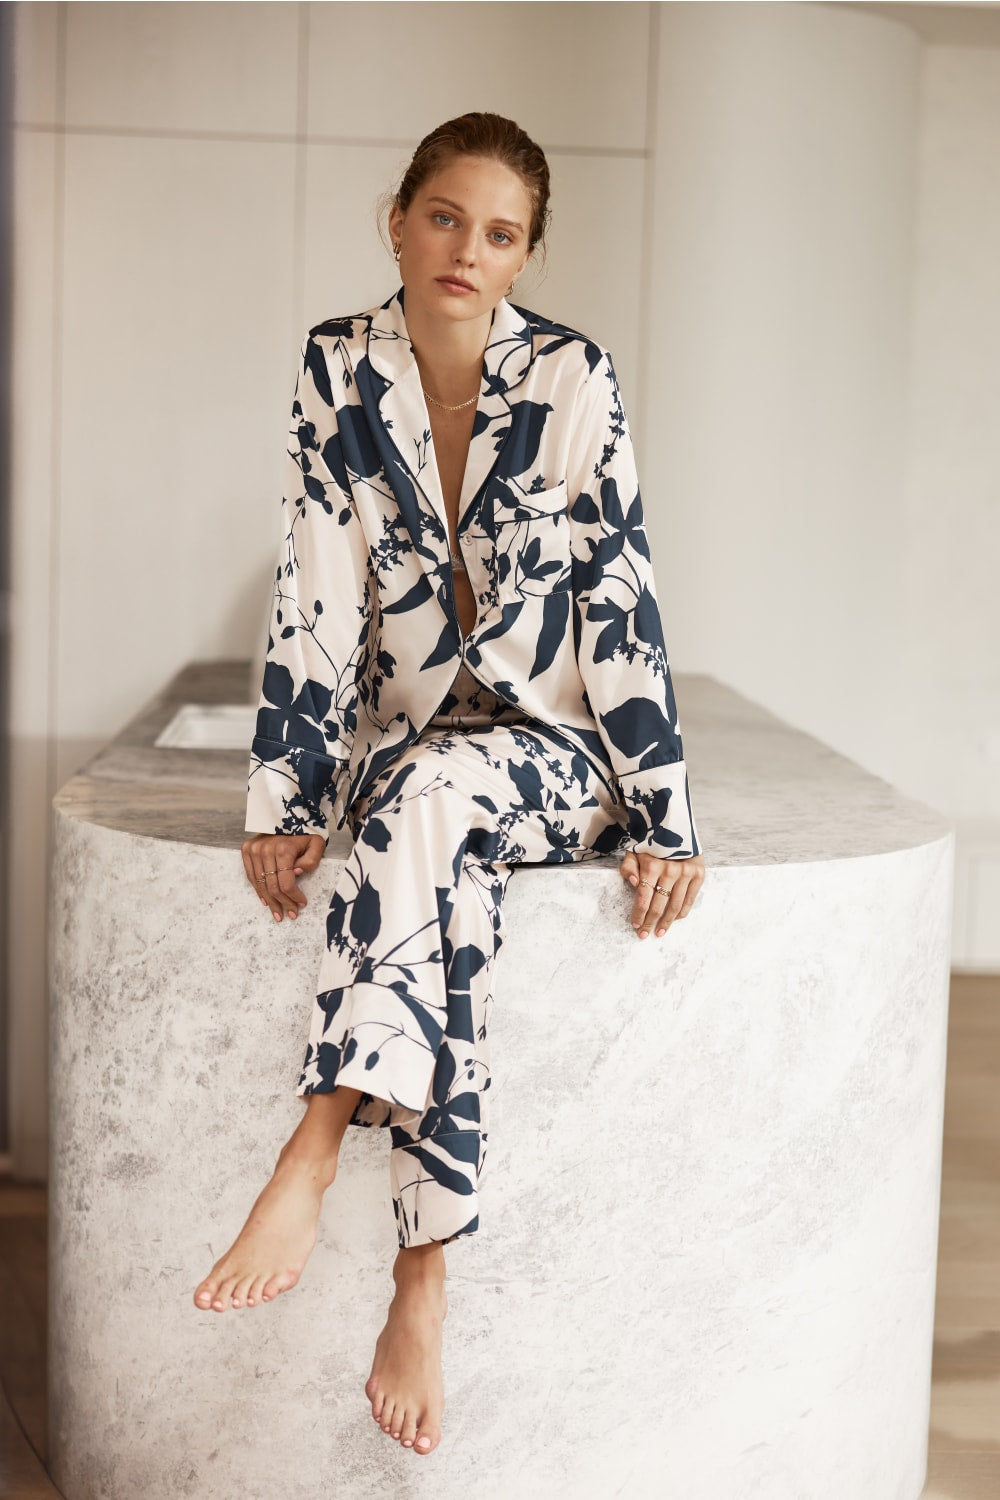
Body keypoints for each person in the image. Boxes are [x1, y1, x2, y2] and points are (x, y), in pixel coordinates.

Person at [193, 111, 706, 1456]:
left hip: (555, 752)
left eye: (500, 233)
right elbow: (314, 587)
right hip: (418, 754)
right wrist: (290, 798)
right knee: (444, 891)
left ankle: (313, 1149)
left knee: (430, 802)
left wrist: (664, 817)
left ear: (525, 255)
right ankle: (420, 1286)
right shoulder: (338, 368)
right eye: (444, 217)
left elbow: (621, 595)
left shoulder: (574, 379)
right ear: (398, 221)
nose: (467, 250)